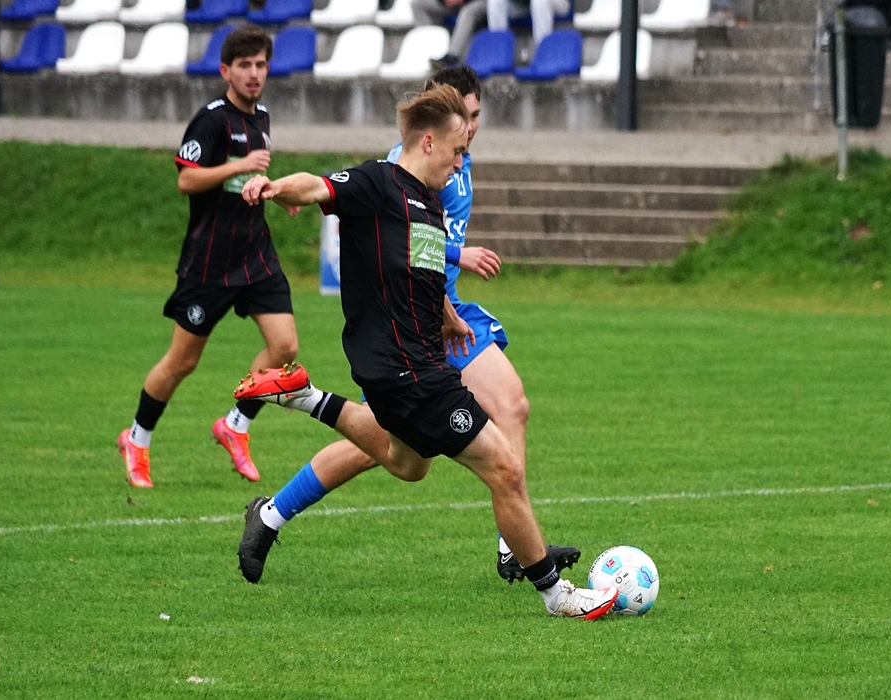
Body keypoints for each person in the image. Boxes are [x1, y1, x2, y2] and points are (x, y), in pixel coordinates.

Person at [234, 84, 619, 619]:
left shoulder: (432, 207)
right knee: (504, 468)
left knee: (408, 464)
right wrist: (275, 187)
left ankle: (306, 397)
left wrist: (450, 318)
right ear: (430, 142)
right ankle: (558, 596)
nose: (461, 163)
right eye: (458, 150)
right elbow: (318, 186)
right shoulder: (378, 183)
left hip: (415, 362)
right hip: (407, 371)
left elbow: (422, 272)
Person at [116, 25, 297, 489]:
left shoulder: (263, 117)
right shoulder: (211, 120)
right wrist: (239, 165)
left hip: (255, 254)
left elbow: (247, 182)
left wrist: (276, 193)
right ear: (225, 71)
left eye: (261, 65)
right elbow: (186, 180)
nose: (254, 73)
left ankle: (235, 426)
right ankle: (136, 439)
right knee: (183, 361)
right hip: (210, 261)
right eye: (244, 66)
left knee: (285, 348)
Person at [411, 0, 488, 68]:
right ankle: (428, 50)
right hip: (452, 4)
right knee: (417, 4)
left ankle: (452, 56)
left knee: (467, 12)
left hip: (484, 3)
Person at [486, 0, 569, 52]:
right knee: (495, 1)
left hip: (557, 3)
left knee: (539, 1)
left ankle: (543, 53)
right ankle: (497, 53)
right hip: (524, 4)